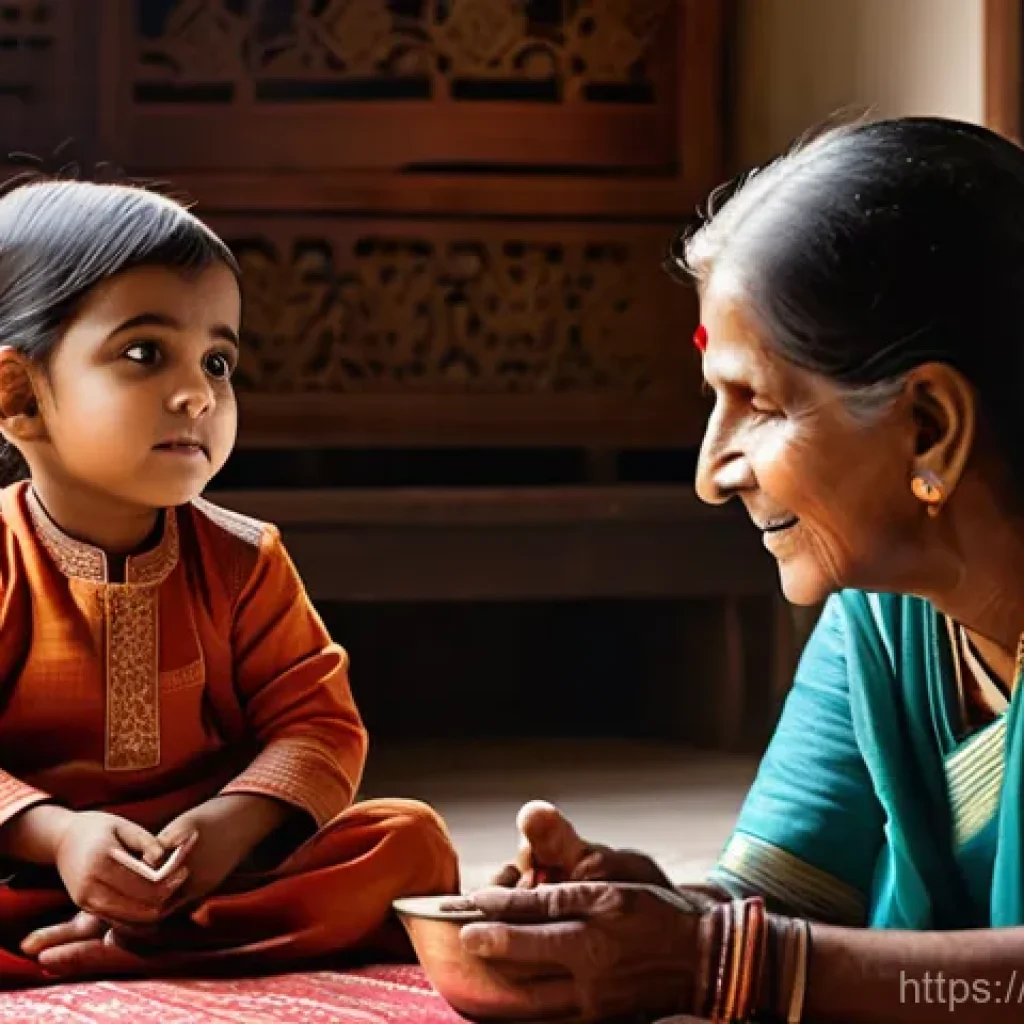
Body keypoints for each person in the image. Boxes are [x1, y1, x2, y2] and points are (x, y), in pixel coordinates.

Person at [452, 116, 1024, 1023]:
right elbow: (785, 908)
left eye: (755, 402)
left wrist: (724, 961)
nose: (710, 475)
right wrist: (654, 917)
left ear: (930, 428)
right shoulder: (884, 612)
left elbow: (765, 960)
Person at [0, 177, 458, 988]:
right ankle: (129, 947)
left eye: (218, 360)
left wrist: (228, 826)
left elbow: (320, 726)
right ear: (18, 395)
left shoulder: (246, 559)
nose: (200, 394)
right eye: (145, 353)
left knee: (407, 842)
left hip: (213, 879)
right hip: (26, 877)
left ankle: (156, 945)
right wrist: (60, 837)